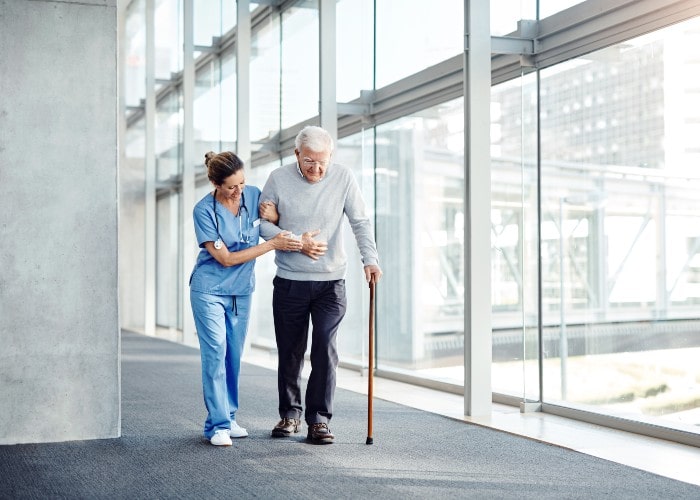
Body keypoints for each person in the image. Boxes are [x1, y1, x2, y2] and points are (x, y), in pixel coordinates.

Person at [259, 125, 383, 444]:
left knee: (324, 349)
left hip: (331, 284)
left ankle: (319, 420)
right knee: (290, 352)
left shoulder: (342, 178)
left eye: (322, 161)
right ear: (296, 154)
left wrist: (370, 259)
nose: (317, 169)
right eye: (309, 161)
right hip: (290, 282)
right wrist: (295, 242)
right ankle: (290, 415)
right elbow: (261, 225)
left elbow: (360, 221)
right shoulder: (277, 179)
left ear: (331, 156)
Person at [189, 151, 303, 446]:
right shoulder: (204, 210)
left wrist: (276, 221)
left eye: (241, 183)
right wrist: (272, 245)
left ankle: (228, 415)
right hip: (209, 289)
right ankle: (217, 426)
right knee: (215, 351)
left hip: (241, 291)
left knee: (233, 356)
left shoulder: (252, 195)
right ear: (215, 183)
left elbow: (271, 219)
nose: (239, 191)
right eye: (231, 187)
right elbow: (225, 259)